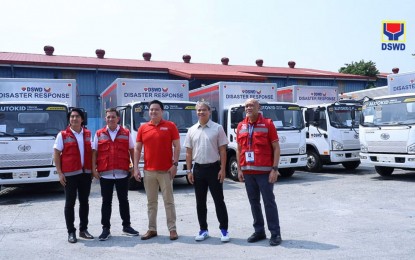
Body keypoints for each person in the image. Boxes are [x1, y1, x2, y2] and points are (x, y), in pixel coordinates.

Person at [236, 98, 282, 246]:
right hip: (248, 172)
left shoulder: (268, 124)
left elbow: (276, 148)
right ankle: (259, 231)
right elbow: (239, 149)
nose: (249, 108)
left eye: (252, 105)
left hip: (264, 172)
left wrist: (274, 169)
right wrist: (240, 169)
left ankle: (275, 234)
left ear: (258, 107)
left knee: (269, 202)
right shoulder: (241, 125)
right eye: (246, 106)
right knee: (254, 202)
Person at [133, 100, 180, 241]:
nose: (153, 112)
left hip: (166, 171)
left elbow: (177, 146)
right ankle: (152, 229)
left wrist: (175, 164)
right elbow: (137, 148)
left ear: (162, 111)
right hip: (149, 171)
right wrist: (135, 168)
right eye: (151, 110)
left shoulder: (170, 126)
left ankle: (172, 229)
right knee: (151, 202)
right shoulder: (143, 128)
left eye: (156, 110)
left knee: (169, 201)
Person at [184, 101, 230, 242]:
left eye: (204, 110)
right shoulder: (191, 130)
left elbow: (223, 151)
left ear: (209, 112)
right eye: (198, 110)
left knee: (218, 201)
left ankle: (224, 230)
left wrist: (223, 169)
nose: (201, 112)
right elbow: (188, 152)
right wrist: (189, 171)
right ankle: (203, 230)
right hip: (198, 169)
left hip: (214, 169)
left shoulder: (217, 128)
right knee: (200, 202)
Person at [92, 108, 139, 241]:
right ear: (105, 119)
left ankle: (127, 226)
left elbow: (131, 150)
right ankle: (105, 229)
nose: (110, 119)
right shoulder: (99, 133)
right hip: (105, 174)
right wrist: (93, 169)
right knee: (106, 202)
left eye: (113, 117)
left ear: (118, 118)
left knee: (124, 201)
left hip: (122, 173)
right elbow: (94, 152)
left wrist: (134, 167)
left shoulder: (126, 132)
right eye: (108, 117)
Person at [53, 108, 94, 243]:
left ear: (82, 119)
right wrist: (60, 173)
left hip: (85, 174)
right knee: (70, 203)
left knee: (84, 202)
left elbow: (92, 153)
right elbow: (56, 154)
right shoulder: (62, 135)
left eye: (77, 117)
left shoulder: (88, 134)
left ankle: (83, 230)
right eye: (71, 117)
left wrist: (93, 170)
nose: (74, 119)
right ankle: (71, 232)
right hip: (70, 175)